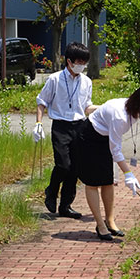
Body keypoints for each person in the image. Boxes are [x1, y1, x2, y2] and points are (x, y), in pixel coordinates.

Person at [74, 85, 140, 241]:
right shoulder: (120, 116)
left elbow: (114, 146)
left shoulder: (131, 108)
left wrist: (128, 173)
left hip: (104, 138)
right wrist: (129, 174)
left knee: (108, 180)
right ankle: (100, 225)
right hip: (88, 138)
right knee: (93, 183)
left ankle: (110, 221)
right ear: (138, 104)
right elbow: (116, 151)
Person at [34, 42, 97, 219]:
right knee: (63, 164)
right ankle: (51, 191)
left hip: (79, 126)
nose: (81, 66)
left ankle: (66, 205)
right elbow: (42, 101)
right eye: (78, 62)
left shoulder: (86, 81)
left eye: (84, 63)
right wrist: (38, 123)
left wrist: (103, 109)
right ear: (68, 61)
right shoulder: (54, 79)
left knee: (75, 168)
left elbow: (86, 107)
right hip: (61, 126)